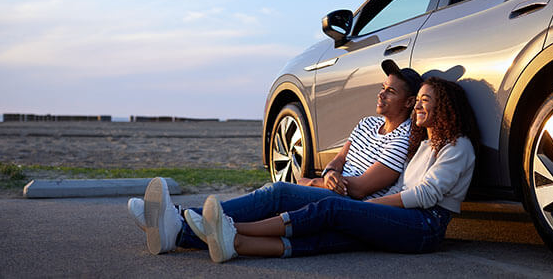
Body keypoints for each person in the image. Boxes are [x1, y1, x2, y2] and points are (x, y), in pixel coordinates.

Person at [131, 59, 424, 254]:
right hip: (335, 191)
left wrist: (313, 183)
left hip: (354, 206)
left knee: (277, 193)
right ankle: (179, 227)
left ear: (409, 102)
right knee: (273, 201)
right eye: (382, 88)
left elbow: (360, 188)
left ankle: (178, 219)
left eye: (391, 92)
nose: (381, 95)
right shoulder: (366, 123)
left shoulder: (404, 137)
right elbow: (339, 159)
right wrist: (329, 173)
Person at [198, 76, 480, 262]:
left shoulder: (458, 146)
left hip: (425, 226)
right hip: (407, 217)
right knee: (334, 236)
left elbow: (426, 196)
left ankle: (232, 227)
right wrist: (370, 209)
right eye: (417, 100)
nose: (418, 106)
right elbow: (401, 188)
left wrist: (371, 206)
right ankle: (234, 244)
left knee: (333, 209)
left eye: (425, 100)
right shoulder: (424, 145)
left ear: (444, 107)